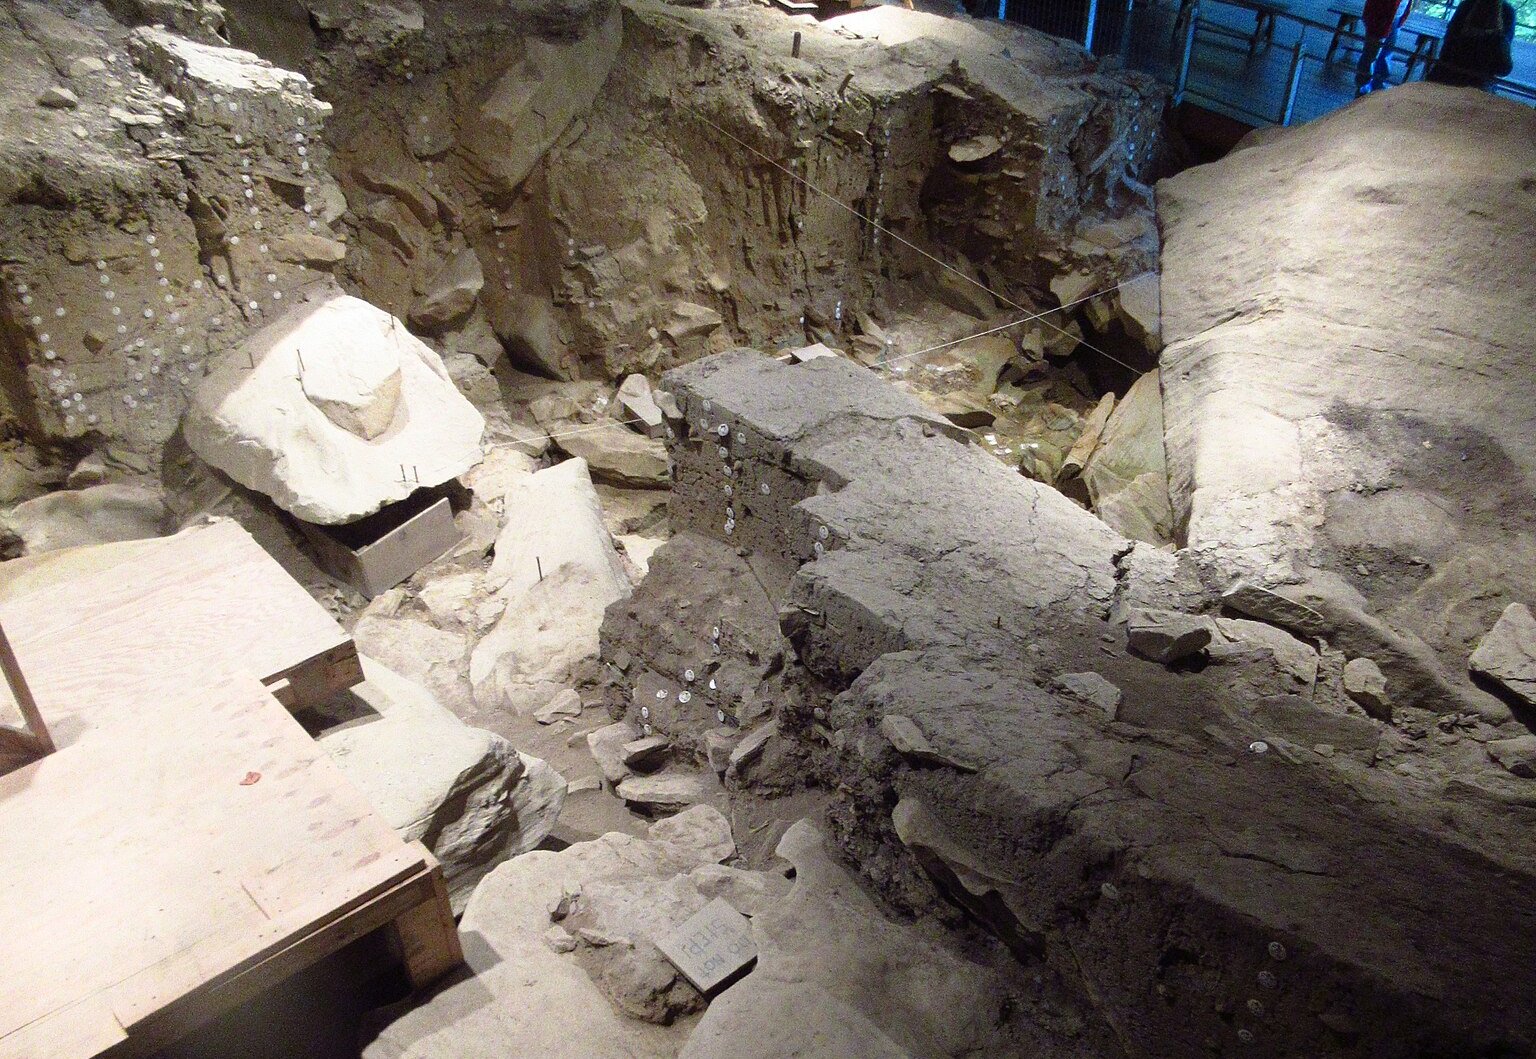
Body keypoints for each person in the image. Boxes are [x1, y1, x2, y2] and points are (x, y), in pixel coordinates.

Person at [1427, 0, 1516, 89]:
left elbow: (1446, 51)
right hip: (1479, 84)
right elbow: (1504, 69)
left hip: (1445, 75)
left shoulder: (1466, 6)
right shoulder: (1507, 13)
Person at [1357, 0, 1414, 94]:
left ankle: (1377, 85)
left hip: (1396, 14)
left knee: (1386, 52)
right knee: (1371, 53)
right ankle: (1363, 87)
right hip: (1380, 15)